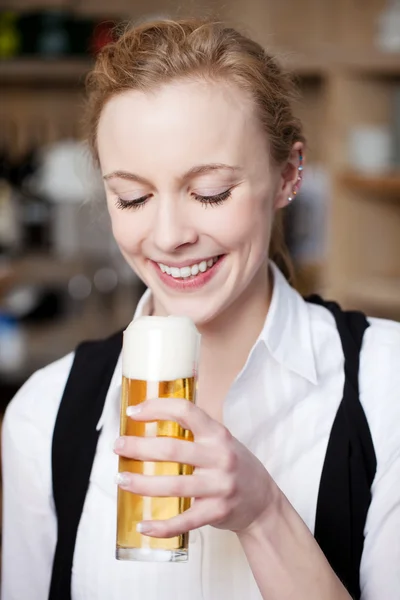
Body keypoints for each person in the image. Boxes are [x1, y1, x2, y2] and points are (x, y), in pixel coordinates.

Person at [2, 17, 400, 600]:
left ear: (289, 174)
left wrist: (265, 516)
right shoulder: (45, 414)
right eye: (132, 198)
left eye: (210, 191)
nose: (168, 236)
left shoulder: (388, 389)